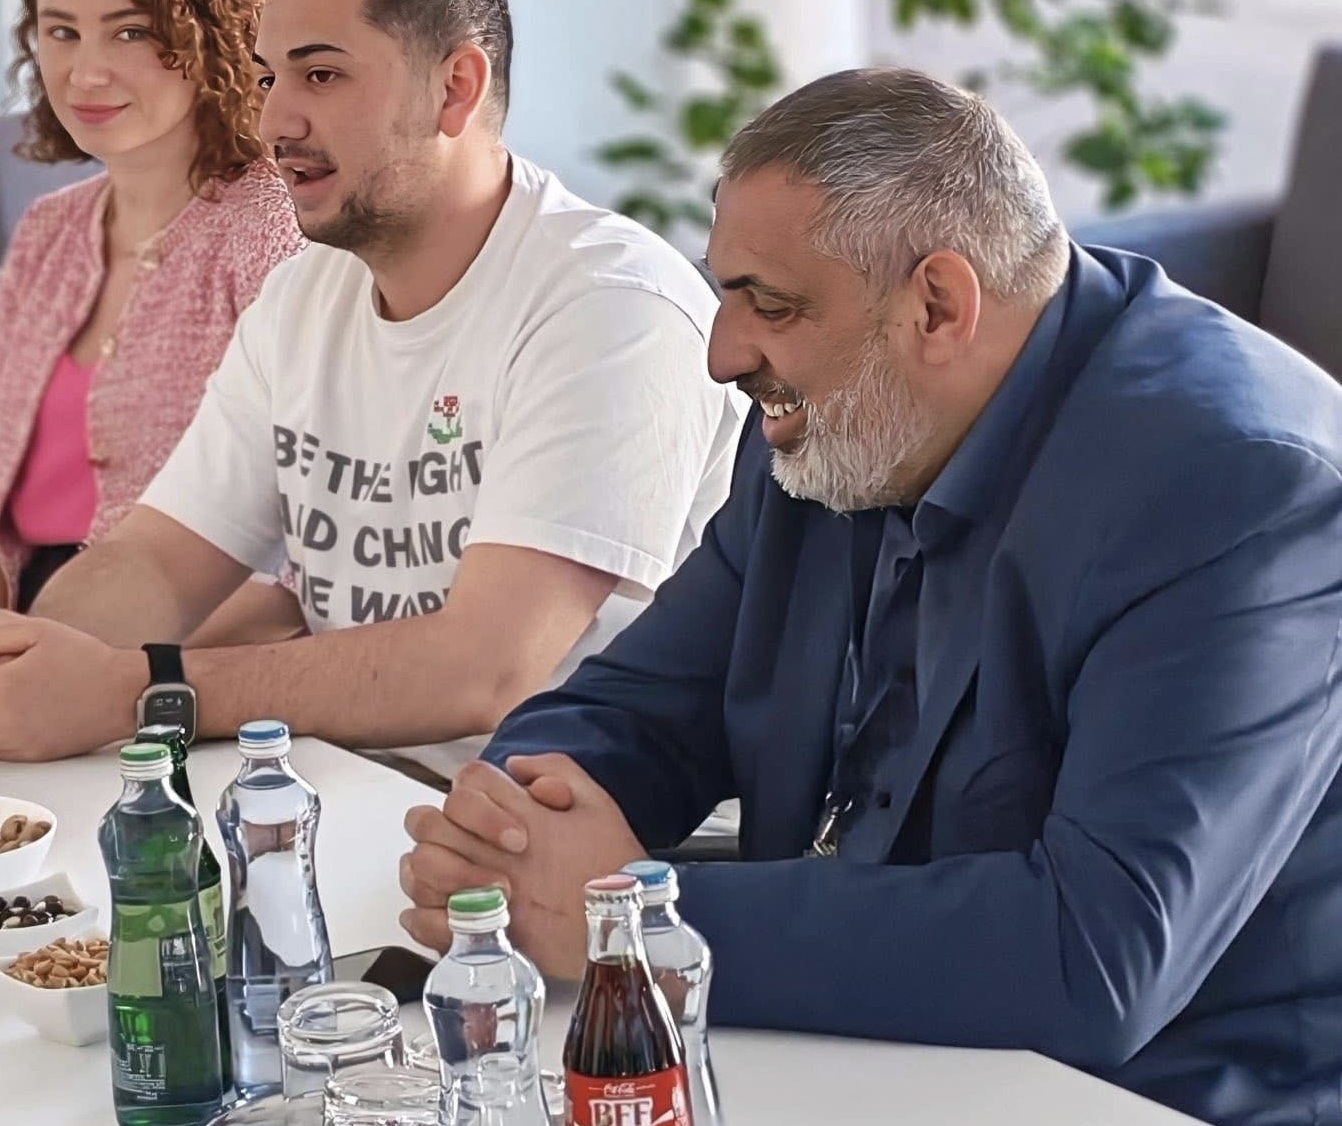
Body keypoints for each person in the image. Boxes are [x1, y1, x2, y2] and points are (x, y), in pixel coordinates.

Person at [398, 67, 1342, 1126]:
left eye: (770, 304)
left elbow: (1094, 954)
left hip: (1160, 1092)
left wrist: (632, 921)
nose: (721, 353)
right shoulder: (838, 418)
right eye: (724, 293)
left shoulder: (1238, 491)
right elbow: (641, 703)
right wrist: (511, 827)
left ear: (936, 305)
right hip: (856, 1043)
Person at [0, 0, 746, 776]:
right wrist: (22, 660)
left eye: (320, 74)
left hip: (576, 821)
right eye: (267, 77)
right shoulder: (301, 297)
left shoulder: (611, 305)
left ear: (454, 89)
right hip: (356, 783)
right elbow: (158, 562)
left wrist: (141, 692)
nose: (273, 120)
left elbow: (483, 671)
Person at [0, 0, 302, 614]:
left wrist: (87, 652)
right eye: (61, 32)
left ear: (215, 37)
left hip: (192, 639)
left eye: (130, 32)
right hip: (25, 626)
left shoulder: (273, 230)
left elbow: (306, 547)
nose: (86, 72)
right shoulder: (47, 230)